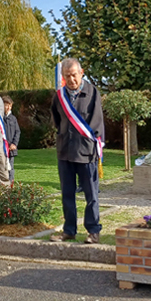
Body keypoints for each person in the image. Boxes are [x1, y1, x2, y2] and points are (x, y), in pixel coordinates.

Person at [51, 58, 104, 244]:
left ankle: (93, 231)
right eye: (67, 76)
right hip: (65, 151)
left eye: (74, 75)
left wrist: (95, 145)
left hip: (86, 151)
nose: (71, 79)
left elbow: (97, 121)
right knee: (67, 194)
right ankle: (69, 230)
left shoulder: (92, 92)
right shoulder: (59, 96)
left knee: (91, 195)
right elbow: (57, 120)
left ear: (81, 73)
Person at [1, 94, 21, 182]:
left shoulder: (13, 119)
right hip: (1, 148)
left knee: (11, 168)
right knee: (0, 168)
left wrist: (14, 144)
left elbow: (17, 132)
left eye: (10, 105)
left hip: (11, 149)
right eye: (6, 105)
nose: (8, 107)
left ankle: (10, 186)